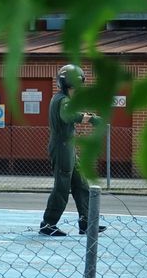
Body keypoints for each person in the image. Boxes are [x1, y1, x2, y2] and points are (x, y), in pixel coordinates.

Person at [39, 65, 106, 236]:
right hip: (62, 148)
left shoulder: (61, 99)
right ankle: (48, 224)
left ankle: (86, 223)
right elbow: (68, 115)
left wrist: (86, 114)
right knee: (62, 188)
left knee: (81, 184)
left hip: (67, 148)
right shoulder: (63, 101)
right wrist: (91, 119)